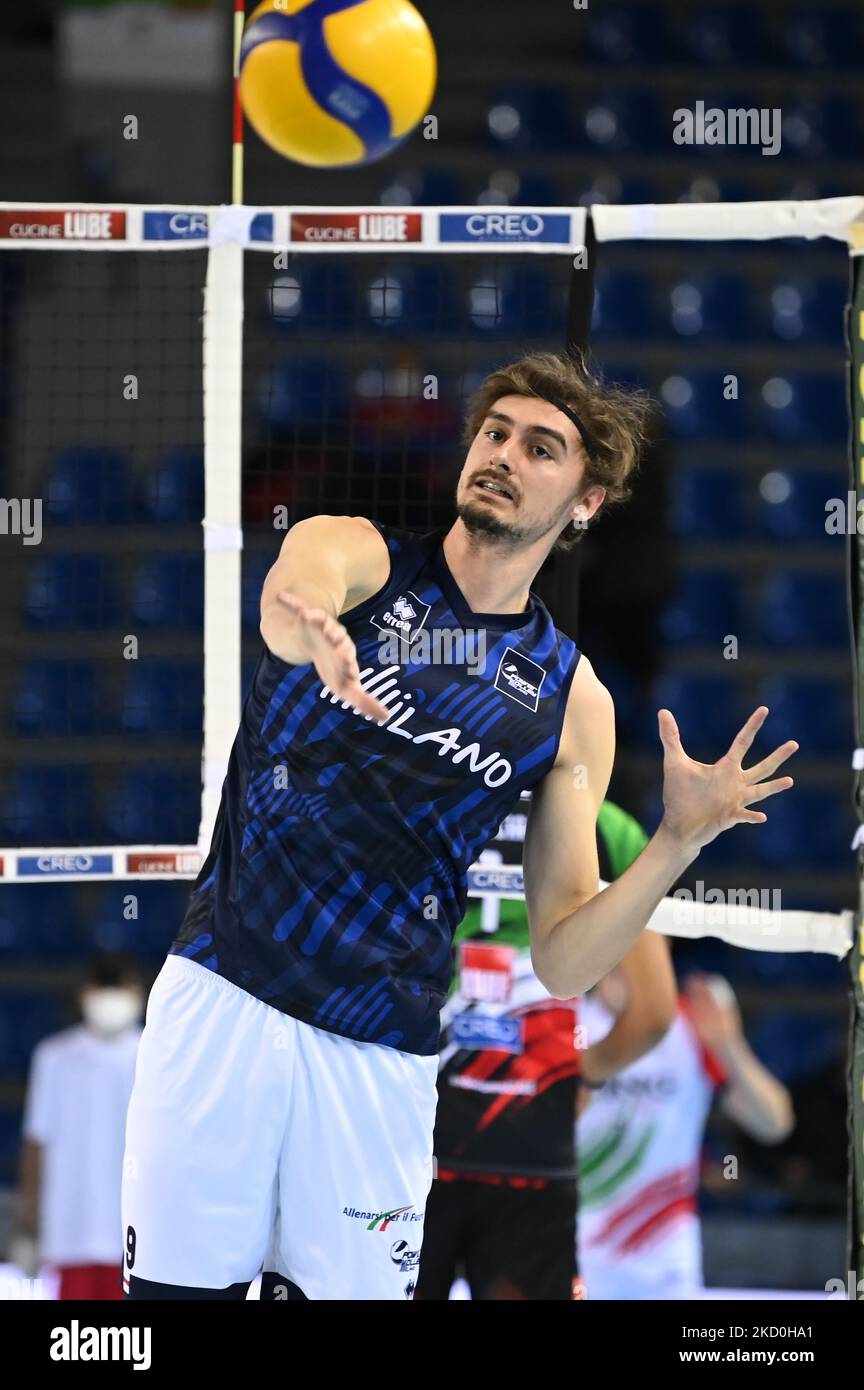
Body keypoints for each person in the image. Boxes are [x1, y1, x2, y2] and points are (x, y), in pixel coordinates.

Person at [121, 350, 797, 1300]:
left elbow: (564, 960)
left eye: (541, 447)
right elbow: (287, 598)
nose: (504, 454)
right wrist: (311, 623)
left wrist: (675, 844)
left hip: (379, 1053)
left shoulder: (571, 702)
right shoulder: (357, 558)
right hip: (226, 996)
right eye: (495, 433)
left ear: (587, 500)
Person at [415, 799, 677, 1301]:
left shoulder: (433, 789)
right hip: (531, 1144)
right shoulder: (605, 827)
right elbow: (653, 1014)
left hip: (412, 1139)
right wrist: (580, 1078)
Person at [577, 967, 794, 1299]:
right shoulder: (567, 1022)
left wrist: (728, 1046)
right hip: (572, 1256)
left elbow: (774, 1123)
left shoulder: (691, 1025)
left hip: (664, 1267)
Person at [11, 953, 144, 1300]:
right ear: (84, 995)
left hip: (136, 1233)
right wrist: (28, 1224)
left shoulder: (155, 1054)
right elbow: (36, 1142)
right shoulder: (54, 1056)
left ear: (137, 994)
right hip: (73, 1226)